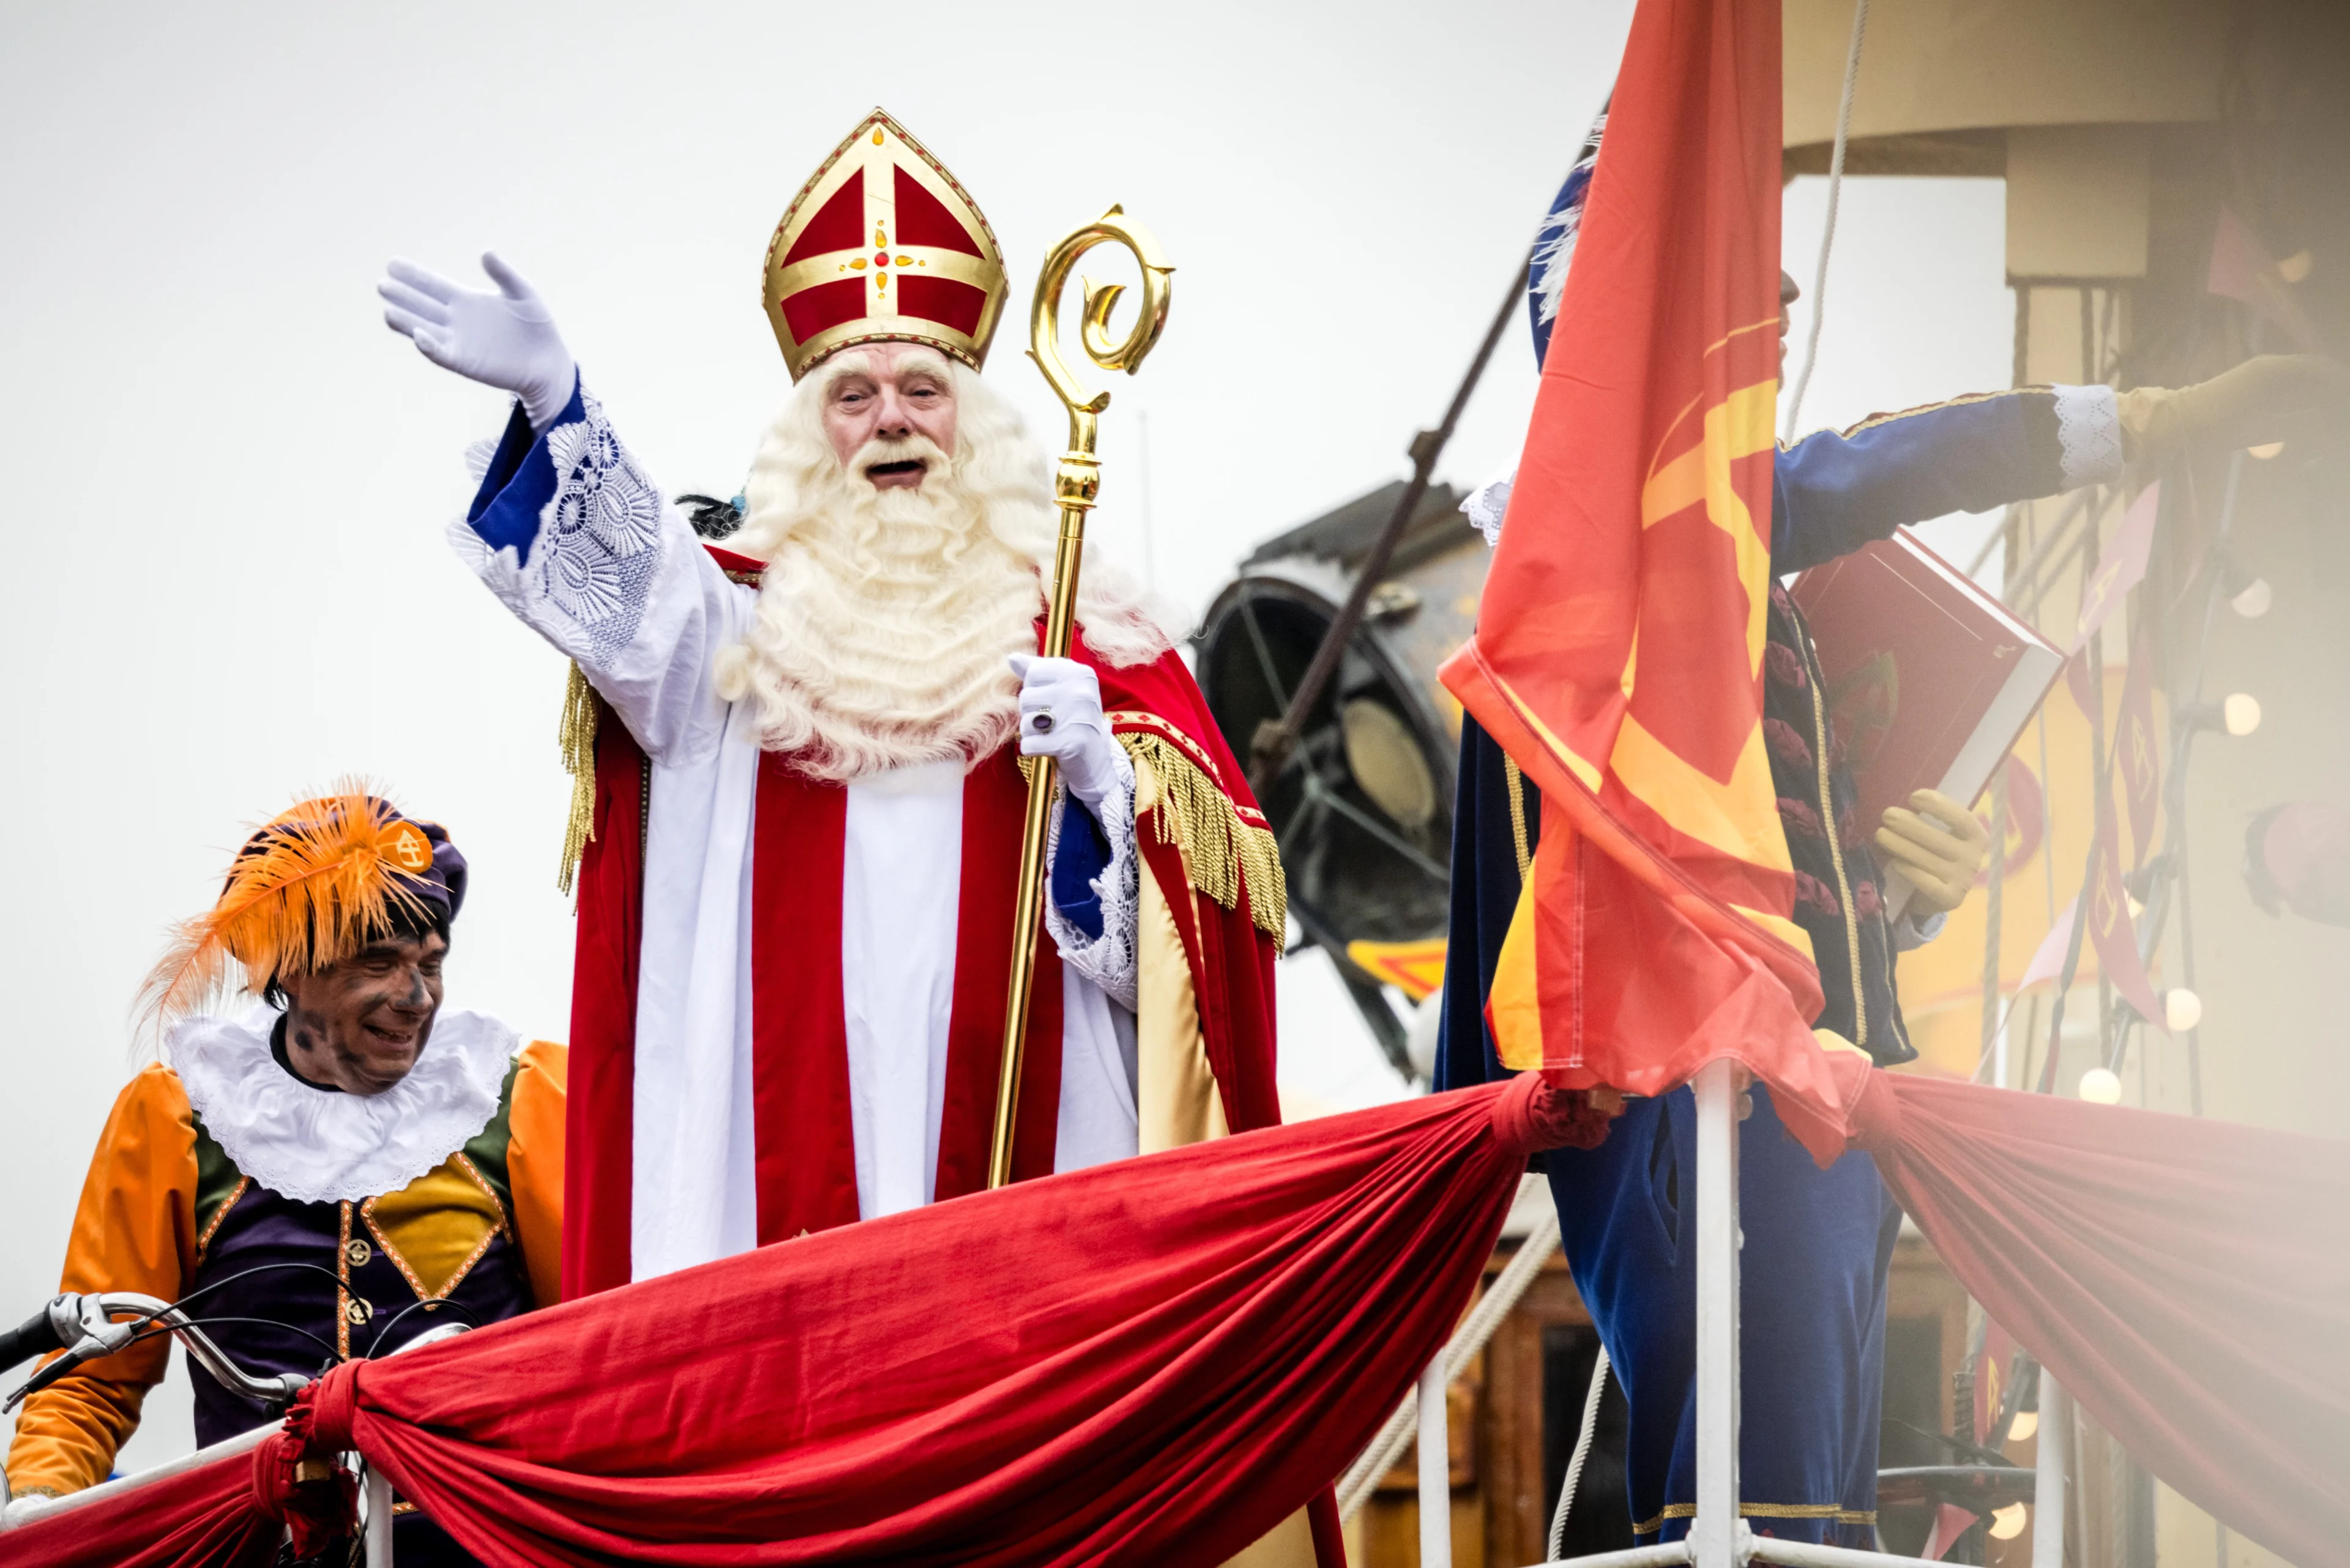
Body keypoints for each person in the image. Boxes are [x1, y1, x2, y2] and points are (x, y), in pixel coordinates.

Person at [1441, 231, 2345, 1545]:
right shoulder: (1597, 568)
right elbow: (1880, 466)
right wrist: (2159, 424)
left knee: (1818, 1480)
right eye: (1736, 283)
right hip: (1700, 1105)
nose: (1786, 302)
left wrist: (1904, 894)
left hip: (1826, 1090)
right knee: (1759, 1487)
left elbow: (1781, 863)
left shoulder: (1726, 579)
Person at [374, 108, 1286, 1286]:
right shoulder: (734, 639)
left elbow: (1187, 994)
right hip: (777, 1199)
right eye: (852, 396)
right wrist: (559, 403)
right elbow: (632, 593)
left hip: (1046, 1199)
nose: (893, 418)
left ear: (982, 423)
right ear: (810, 437)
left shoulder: (1099, 646)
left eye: (923, 386)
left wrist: (1109, 780)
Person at [2, 791, 564, 1564]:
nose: (417, 997)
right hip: (261, 1545)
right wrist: (39, 1504)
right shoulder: (177, 1118)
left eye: (430, 963)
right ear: (289, 968)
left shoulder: (518, 1097)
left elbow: (600, 1338)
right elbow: (92, 1378)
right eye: (380, 963)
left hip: (486, 1538)